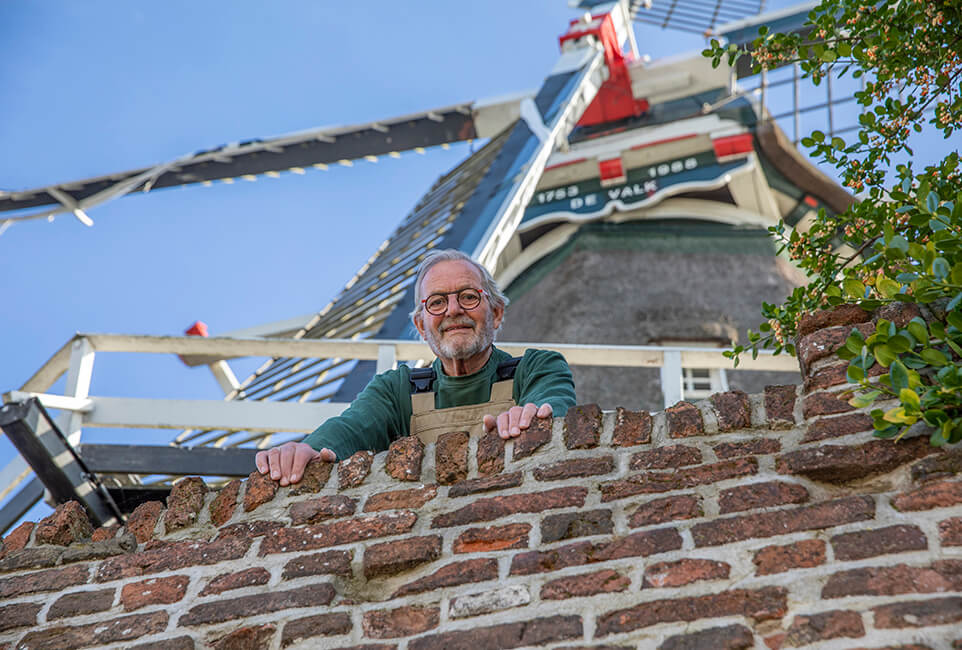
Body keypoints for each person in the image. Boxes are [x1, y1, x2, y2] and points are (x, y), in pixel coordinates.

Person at [255, 249, 576, 485]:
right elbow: (350, 428)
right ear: (422, 327)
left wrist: (533, 414)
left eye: (468, 297)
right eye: (436, 302)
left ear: (497, 312)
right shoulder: (397, 390)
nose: (453, 310)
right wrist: (304, 451)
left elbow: (553, 404)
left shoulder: (536, 367)